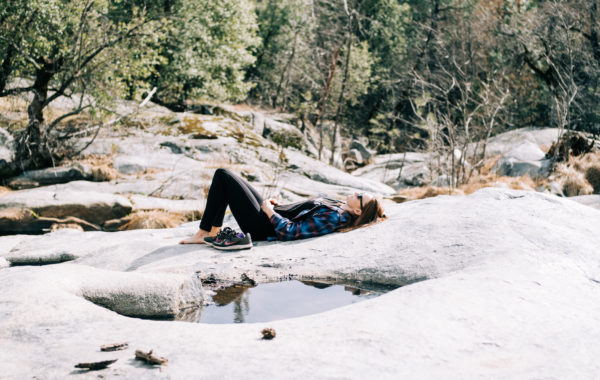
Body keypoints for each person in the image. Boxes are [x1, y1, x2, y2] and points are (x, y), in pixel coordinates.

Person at [179, 168, 386, 247]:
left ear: (358, 211)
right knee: (228, 178)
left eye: (359, 197)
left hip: (262, 227)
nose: (356, 192)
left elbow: (292, 232)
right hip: (270, 214)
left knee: (223, 176)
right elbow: (301, 213)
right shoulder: (340, 206)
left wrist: (269, 211)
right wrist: (276, 205)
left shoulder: (336, 218)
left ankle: (205, 231)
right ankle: (210, 230)